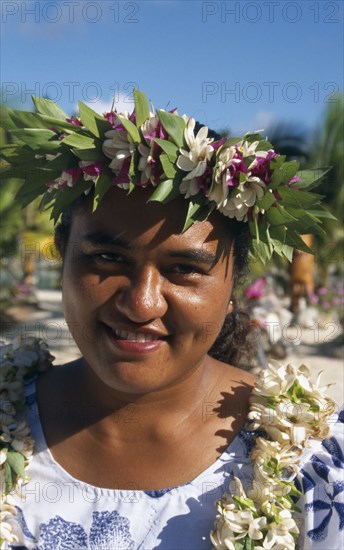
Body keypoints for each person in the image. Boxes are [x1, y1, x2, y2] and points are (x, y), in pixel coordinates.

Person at [0, 90, 343, 550]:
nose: (142, 305)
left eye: (184, 269)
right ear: (63, 260)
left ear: (231, 286)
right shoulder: (7, 420)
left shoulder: (317, 459)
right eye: (106, 257)